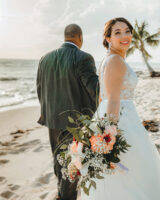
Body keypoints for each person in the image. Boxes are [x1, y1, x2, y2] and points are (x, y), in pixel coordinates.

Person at [81, 17, 160, 200]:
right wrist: (110, 135)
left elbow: (102, 97)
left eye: (127, 31)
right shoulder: (116, 61)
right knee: (135, 171)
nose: (125, 36)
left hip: (114, 115)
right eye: (117, 33)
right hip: (119, 119)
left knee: (124, 174)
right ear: (108, 38)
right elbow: (113, 100)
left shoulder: (108, 60)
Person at [36, 24, 99, 200]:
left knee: (58, 159)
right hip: (75, 123)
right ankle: (66, 196)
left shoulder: (44, 58)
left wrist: (46, 112)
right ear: (80, 37)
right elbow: (94, 91)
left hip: (51, 119)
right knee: (72, 164)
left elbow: (40, 89)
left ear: (65, 37)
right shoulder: (84, 58)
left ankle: (61, 191)